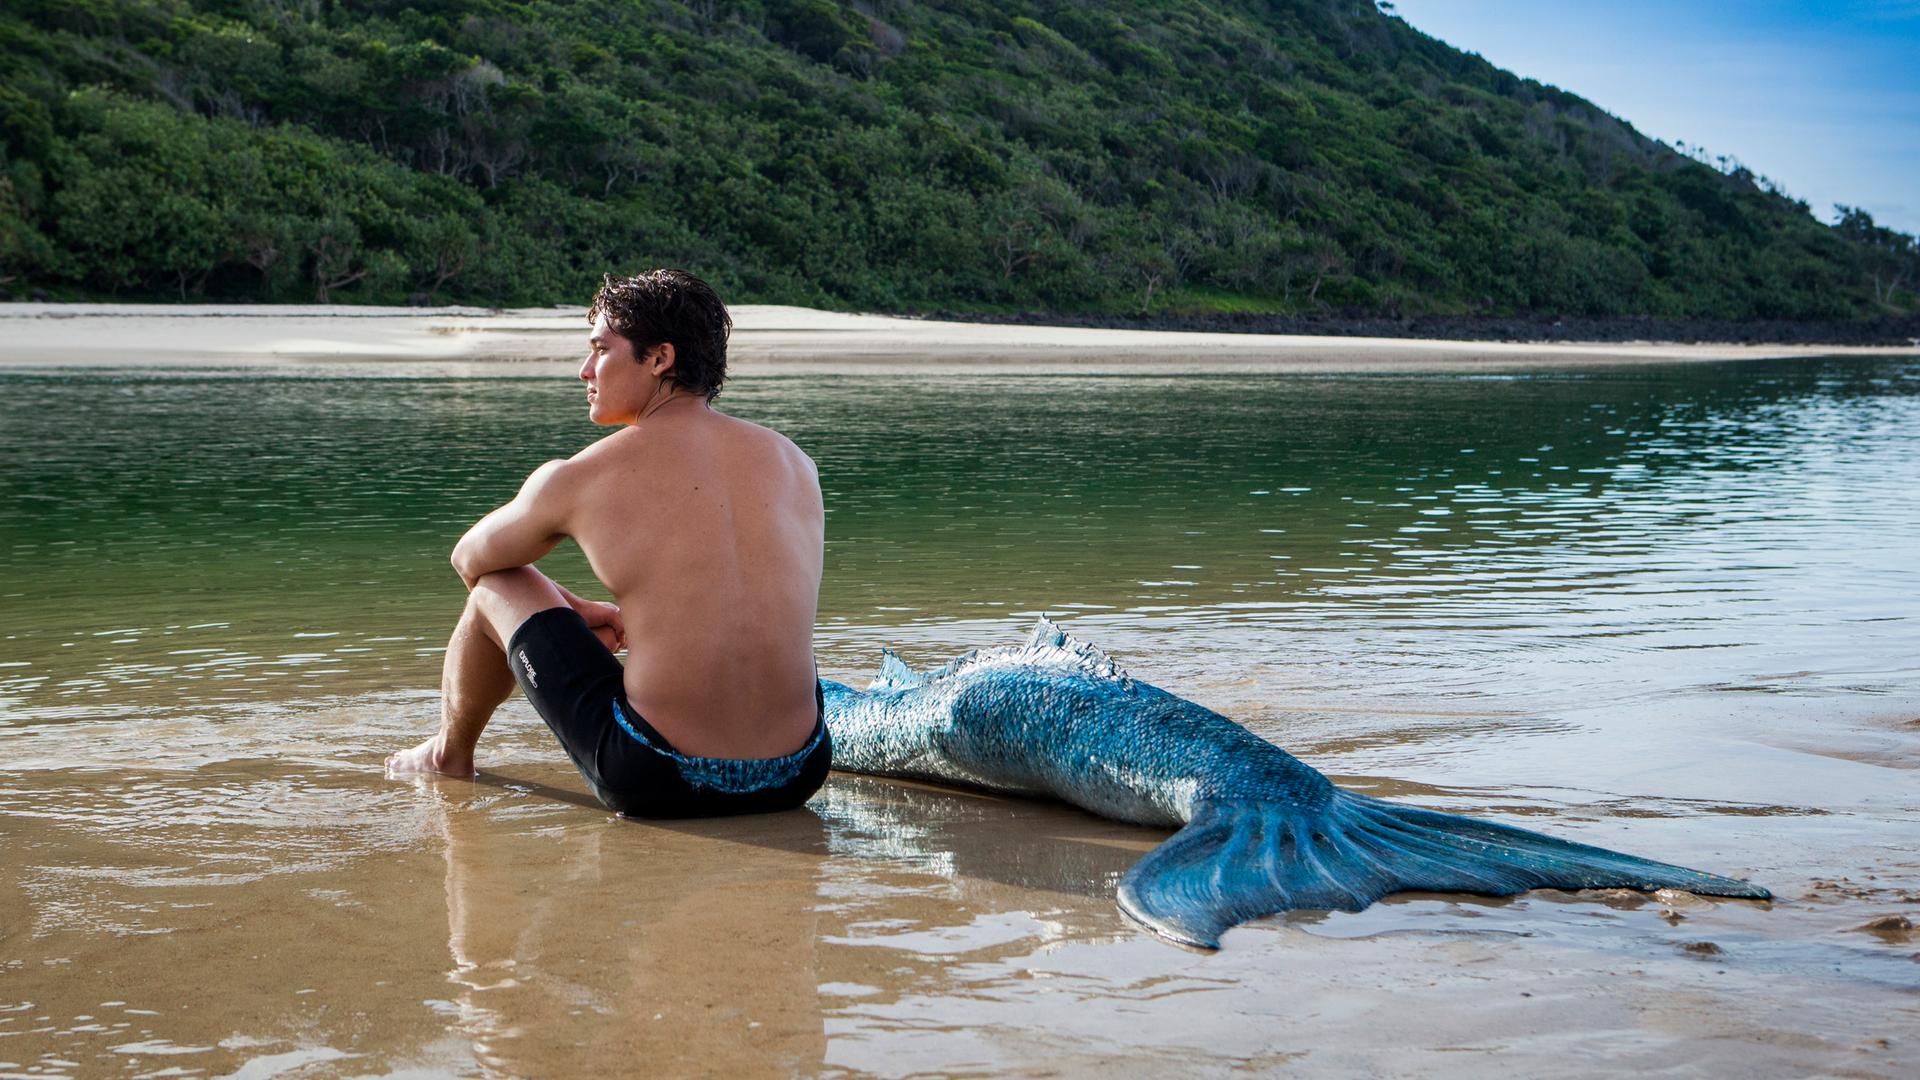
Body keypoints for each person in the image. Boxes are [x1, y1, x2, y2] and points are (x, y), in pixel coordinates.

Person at [385, 268, 830, 817]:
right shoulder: (795, 463)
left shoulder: (581, 477)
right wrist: (575, 608)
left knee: (497, 586)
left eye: (600, 349)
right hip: (800, 771)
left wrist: (566, 609)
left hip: (658, 775)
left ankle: (447, 755)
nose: (584, 370)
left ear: (660, 358)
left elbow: (470, 560)